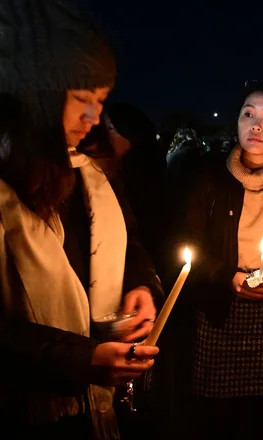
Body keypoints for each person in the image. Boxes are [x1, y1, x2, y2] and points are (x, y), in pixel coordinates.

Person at [0, 1, 161, 439]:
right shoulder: (5, 187)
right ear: (37, 95)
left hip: (99, 411)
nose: (94, 121)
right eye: (82, 100)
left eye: (101, 102)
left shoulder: (91, 171)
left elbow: (132, 246)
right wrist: (80, 359)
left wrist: (141, 287)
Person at [172, 81, 263, 439]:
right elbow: (186, 240)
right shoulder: (206, 180)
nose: (256, 124)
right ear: (237, 122)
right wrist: (225, 276)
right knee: (217, 417)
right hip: (219, 310)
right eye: (248, 114)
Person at [104, 102, 168, 275]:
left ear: (131, 134)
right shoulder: (112, 173)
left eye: (110, 129)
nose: (103, 137)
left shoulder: (138, 179)